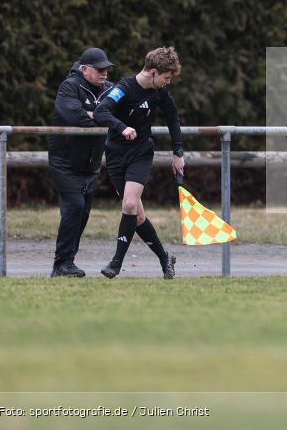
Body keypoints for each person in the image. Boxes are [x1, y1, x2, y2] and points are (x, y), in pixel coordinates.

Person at [94, 46, 185, 279]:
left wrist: (178, 153)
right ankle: (165, 257)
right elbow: (101, 112)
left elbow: (173, 119)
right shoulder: (123, 89)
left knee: (129, 206)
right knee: (138, 216)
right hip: (115, 156)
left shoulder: (160, 92)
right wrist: (121, 127)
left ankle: (115, 263)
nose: (167, 83)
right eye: (165, 78)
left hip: (141, 154)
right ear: (153, 72)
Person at [47, 47, 115, 277]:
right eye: (99, 69)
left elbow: (120, 115)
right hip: (64, 162)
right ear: (84, 69)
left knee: (83, 212)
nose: (104, 73)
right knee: (74, 207)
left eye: (107, 68)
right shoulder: (69, 86)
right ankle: (61, 264)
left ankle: (67, 263)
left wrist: (95, 116)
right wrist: (103, 118)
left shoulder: (109, 89)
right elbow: (74, 116)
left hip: (91, 165)